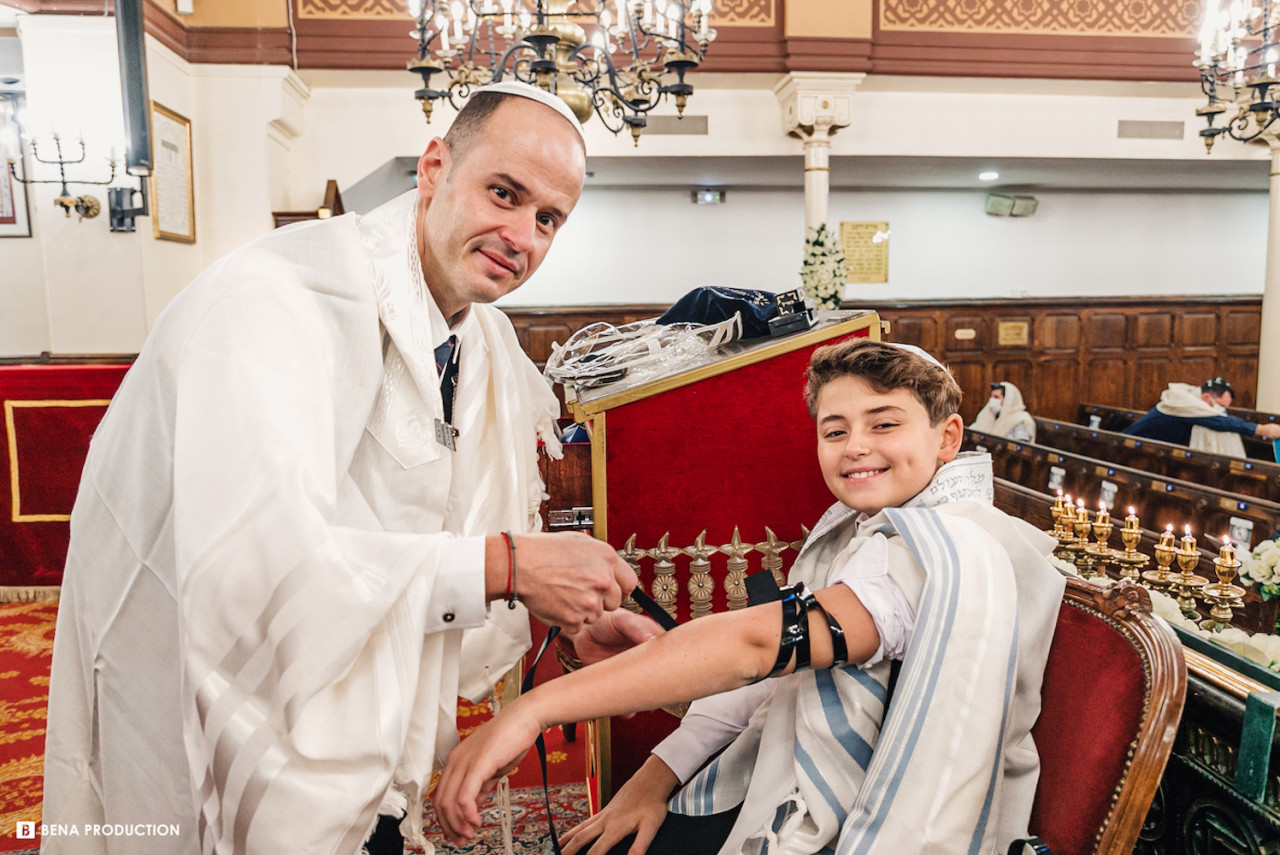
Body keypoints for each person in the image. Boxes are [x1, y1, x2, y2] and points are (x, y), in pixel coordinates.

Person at [40, 82, 662, 855]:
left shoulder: (482, 343)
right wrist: (510, 566)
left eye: (548, 219)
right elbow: (251, 569)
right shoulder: (272, 302)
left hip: (362, 738)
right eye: (503, 192)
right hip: (221, 709)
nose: (521, 235)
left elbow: (439, 543)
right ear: (434, 167)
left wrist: (562, 628)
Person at [434, 339, 1066, 855]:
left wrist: (532, 709)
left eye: (885, 424)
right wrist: (652, 777)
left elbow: (759, 644)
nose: (857, 447)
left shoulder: (945, 551)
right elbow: (770, 681)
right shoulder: (871, 528)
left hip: (863, 816)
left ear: (948, 438)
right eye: (835, 430)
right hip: (781, 769)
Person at [1122, 377, 1280, 458]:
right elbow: (1218, 422)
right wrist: (1262, 429)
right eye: (1220, 406)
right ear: (1206, 397)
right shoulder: (1188, 405)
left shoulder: (1190, 397)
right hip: (1129, 449)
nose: (1221, 411)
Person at [970, 381, 1036, 442]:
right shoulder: (990, 413)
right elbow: (972, 430)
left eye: (996, 397)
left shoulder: (1020, 420)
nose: (991, 400)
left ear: (1009, 400)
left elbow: (1022, 445)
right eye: (991, 396)